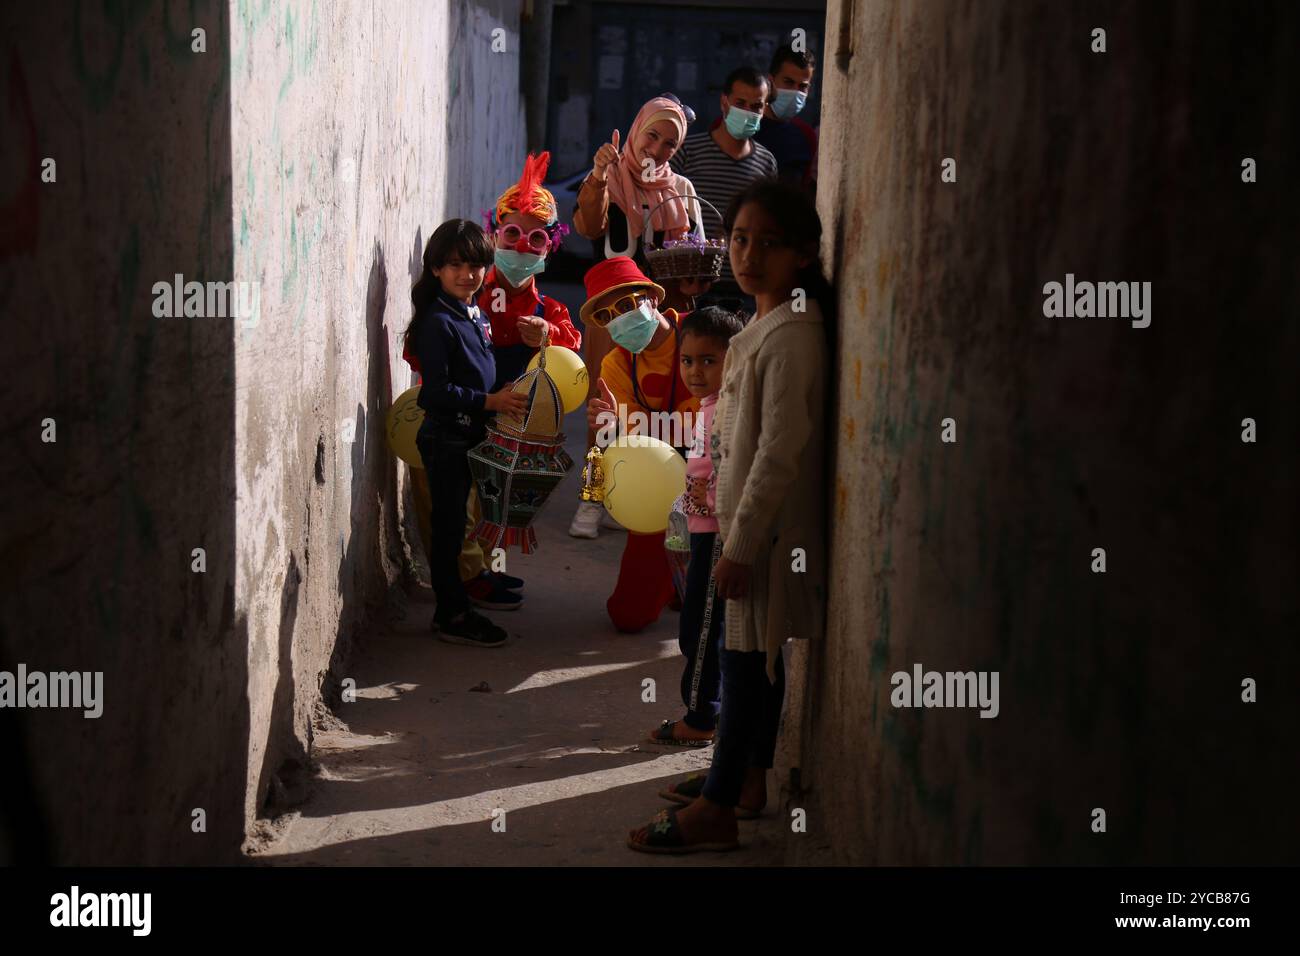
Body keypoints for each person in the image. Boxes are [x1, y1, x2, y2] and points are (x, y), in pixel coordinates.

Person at [627, 180, 831, 853]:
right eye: (740, 238)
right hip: (751, 533)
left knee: (745, 667)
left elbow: (779, 450)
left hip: (763, 538)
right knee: (750, 661)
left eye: (767, 243)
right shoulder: (768, 325)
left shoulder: (793, 336)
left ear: (802, 254)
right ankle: (745, 780)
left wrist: (738, 546)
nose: (748, 254)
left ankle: (719, 806)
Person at [441, 152, 584, 610]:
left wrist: (550, 336)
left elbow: (570, 350)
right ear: (493, 233)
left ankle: (481, 570)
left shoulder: (549, 310)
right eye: (512, 234)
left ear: (550, 247)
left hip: (513, 423)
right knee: (462, 497)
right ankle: (466, 577)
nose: (522, 247)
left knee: (494, 499)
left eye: (536, 238)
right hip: (471, 408)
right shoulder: (470, 288)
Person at [570, 96, 700, 539]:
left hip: (662, 320)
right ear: (635, 129)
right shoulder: (609, 177)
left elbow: (692, 256)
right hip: (611, 314)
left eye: (669, 143)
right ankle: (592, 497)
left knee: (661, 408)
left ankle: (654, 494)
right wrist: (597, 176)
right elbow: (588, 226)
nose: (658, 149)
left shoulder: (680, 190)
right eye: (652, 135)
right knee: (603, 408)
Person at [402, 219, 529, 647]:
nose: (467, 274)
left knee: (464, 528)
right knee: (450, 531)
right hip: (447, 439)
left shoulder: (472, 312)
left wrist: (498, 393)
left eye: (475, 265)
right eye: (455, 264)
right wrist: (489, 402)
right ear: (436, 268)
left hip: (470, 437)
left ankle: (462, 599)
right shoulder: (437, 321)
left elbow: (475, 372)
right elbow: (435, 392)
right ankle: (451, 614)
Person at [581, 256, 700, 633]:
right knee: (628, 615)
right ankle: (676, 575)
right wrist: (612, 427)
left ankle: (689, 574)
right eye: (605, 316)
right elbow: (632, 447)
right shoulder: (616, 365)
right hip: (660, 486)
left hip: (716, 477)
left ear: (651, 297)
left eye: (627, 304)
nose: (619, 320)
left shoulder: (700, 335)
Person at [646, 307, 746, 748]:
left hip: (722, 535)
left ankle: (702, 716)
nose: (696, 371)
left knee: (703, 630)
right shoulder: (709, 406)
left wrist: (706, 498)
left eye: (709, 360)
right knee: (701, 626)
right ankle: (713, 709)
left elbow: (733, 474)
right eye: (687, 360)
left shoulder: (728, 409)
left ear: (735, 360)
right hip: (705, 533)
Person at [670, 66, 778, 308]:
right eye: (740, 102)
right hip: (692, 286)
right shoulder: (687, 151)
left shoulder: (767, 163)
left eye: (756, 106)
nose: (748, 112)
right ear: (724, 103)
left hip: (745, 289)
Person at [753, 45, 819, 190]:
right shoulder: (744, 125)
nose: (795, 91)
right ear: (770, 81)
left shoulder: (806, 135)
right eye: (788, 82)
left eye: (802, 86)